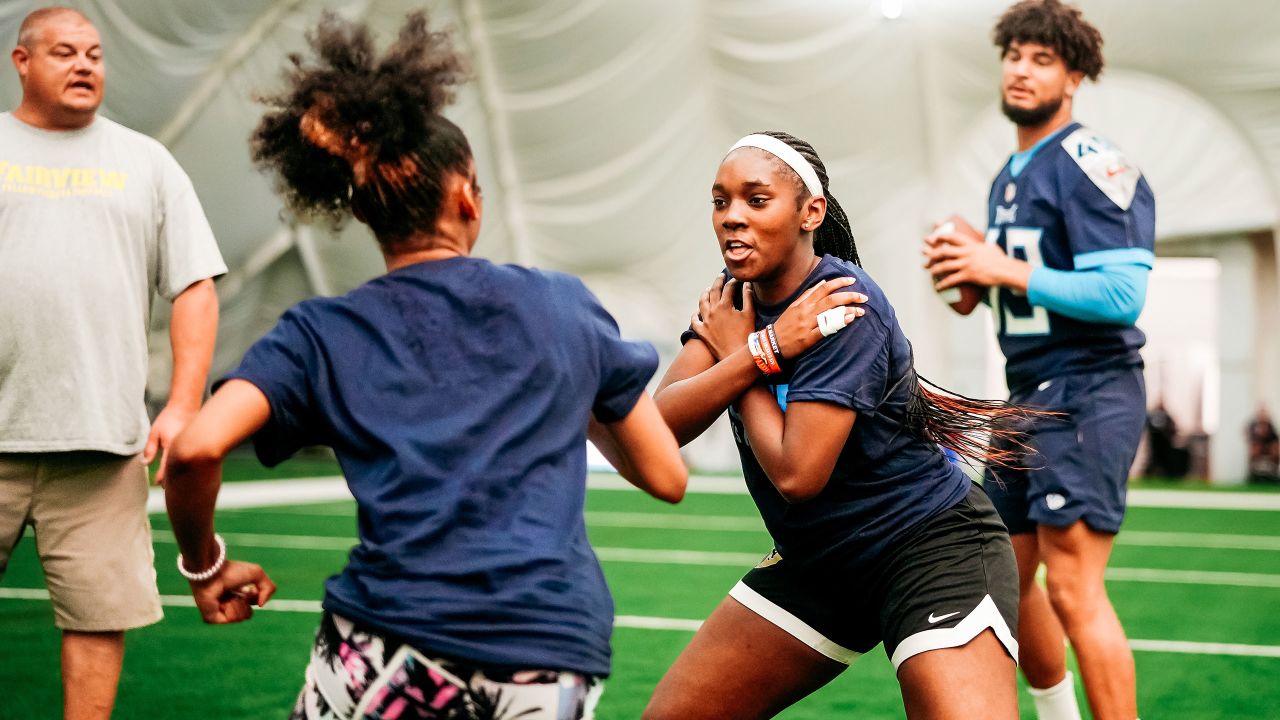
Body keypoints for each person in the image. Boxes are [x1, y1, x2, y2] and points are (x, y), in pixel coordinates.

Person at [161, 12, 686, 720]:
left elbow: (194, 448)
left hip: (386, 637)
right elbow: (665, 476)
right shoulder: (563, 307)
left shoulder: (321, 332)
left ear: (361, 209)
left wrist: (205, 565)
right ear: (466, 193)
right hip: (546, 645)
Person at [643, 130, 1036, 720]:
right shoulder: (734, 302)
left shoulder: (843, 303)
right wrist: (757, 352)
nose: (732, 218)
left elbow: (799, 473)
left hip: (928, 548)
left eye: (756, 199)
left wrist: (746, 355)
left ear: (811, 212)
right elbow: (655, 429)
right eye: (720, 202)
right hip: (819, 562)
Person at [922, 1, 1156, 718]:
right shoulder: (1011, 172)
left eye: (1042, 59)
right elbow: (1013, 287)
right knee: (1007, 581)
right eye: (1014, 55)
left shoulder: (1092, 161)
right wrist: (967, 281)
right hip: (1028, 393)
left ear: (1075, 75)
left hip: (1088, 387)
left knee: (1074, 589)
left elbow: (1123, 291)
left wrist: (1001, 267)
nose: (1022, 70)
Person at [0, 7, 225, 719]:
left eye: (95, 53)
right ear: (21, 62)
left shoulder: (146, 161)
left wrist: (184, 403)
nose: (86, 64)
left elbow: (193, 286)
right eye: (65, 52)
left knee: (98, 620)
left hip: (103, 445)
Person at [1247, 406, 1279, 484]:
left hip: (1271, 470)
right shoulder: (1253, 433)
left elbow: (1276, 449)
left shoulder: (1273, 434)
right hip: (1256, 471)